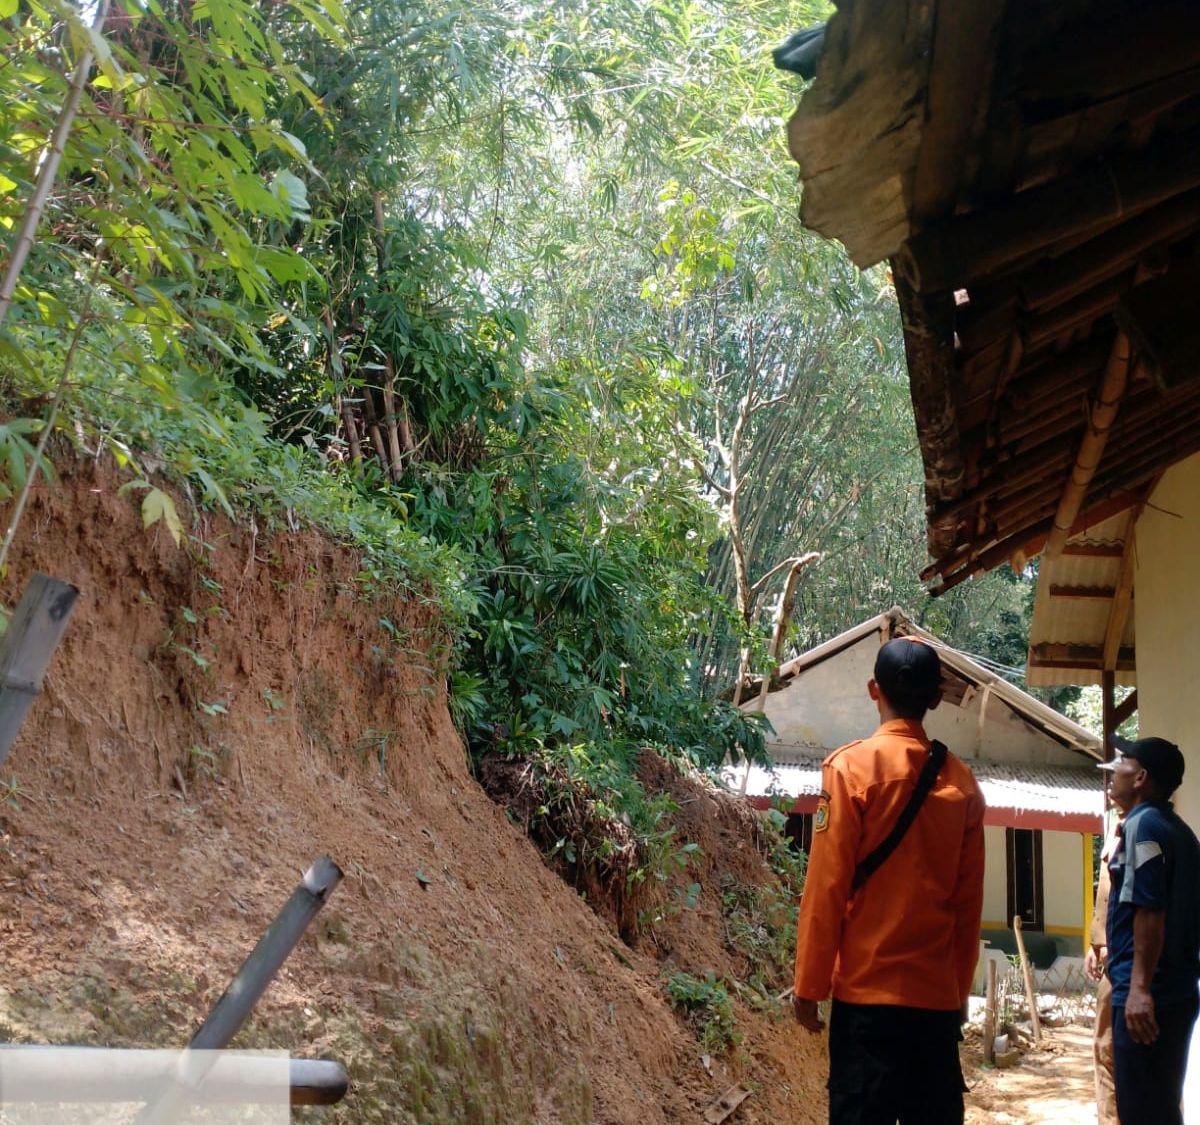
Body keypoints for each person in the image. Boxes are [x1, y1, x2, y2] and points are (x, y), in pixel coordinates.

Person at [791, 636, 986, 1125]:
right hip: (935, 1008)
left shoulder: (850, 769)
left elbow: (827, 888)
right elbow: (968, 906)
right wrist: (957, 996)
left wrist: (809, 986)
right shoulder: (962, 784)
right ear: (936, 697)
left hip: (866, 1005)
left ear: (873, 690)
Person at [1099, 735, 1200, 1125]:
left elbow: (1149, 909)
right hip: (1174, 992)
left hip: (1148, 999)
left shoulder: (1143, 827)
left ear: (1140, 777)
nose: (1114, 770)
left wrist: (1139, 989)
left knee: (1143, 1110)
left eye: (1123, 761)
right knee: (1159, 1107)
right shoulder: (1177, 830)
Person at [1084, 810, 1122, 1125]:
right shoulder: (1116, 823)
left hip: (1131, 967)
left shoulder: (1146, 830)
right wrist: (1096, 943)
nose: (1111, 785)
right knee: (1105, 1054)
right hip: (1112, 960)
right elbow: (1106, 891)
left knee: (1133, 1065)